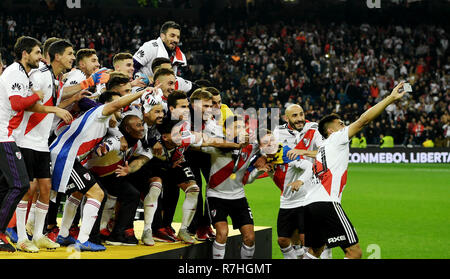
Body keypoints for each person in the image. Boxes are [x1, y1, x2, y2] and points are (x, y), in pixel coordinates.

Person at [287, 81, 407, 259]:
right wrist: (390, 98)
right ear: (330, 130)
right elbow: (364, 120)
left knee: (314, 252)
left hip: (309, 206)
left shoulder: (322, 150)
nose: (345, 126)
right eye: (341, 123)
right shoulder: (337, 138)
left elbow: (313, 167)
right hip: (327, 204)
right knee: (354, 252)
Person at [52, 83, 153, 251]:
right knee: (97, 193)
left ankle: (63, 234)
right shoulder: (99, 113)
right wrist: (143, 92)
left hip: (68, 158)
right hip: (65, 158)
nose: (121, 109)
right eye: (118, 105)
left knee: (76, 193)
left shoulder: (107, 124)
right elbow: (113, 106)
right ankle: (83, 240)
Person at [14, 39, 74, 252]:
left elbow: (53, 103)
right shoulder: (39, 76)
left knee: (46, 189)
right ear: (57, 56)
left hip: (41, 143)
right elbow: (28, 105)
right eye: (69, 54)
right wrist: (55, 110)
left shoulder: (55, 79)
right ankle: (21, 237)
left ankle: (38, 235)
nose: (72, 58)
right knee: (28, 190)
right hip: (26, 139)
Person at [0, 36, 42, 252]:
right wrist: (36, 96)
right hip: (3, 136)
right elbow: (17, 103)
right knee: (20, 185)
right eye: (37, 52)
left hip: (7, 135)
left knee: (6, 186)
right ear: (25, 53)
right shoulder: (15, 72)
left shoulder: (21, 73)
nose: (40, 57)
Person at [272, 104, 331, 259]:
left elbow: (326, 152)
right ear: (286, 118)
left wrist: (303, 152)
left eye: (301, 114)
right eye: (295, 116)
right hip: (289, 193)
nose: (300, 119)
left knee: (313, 239)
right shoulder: (278, 132)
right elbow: (273, 157)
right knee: (287, 239)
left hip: (312, 191)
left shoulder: (313, 129)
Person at [247, 131, 314, 259]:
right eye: (266, 143)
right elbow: (248, 180)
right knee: (282, 240)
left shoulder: (287, 153)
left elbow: (310, 166)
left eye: (272, 140)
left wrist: (300, 181)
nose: (270, 144)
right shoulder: (263, 159)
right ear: (261, 147)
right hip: (286, 202)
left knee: (305, 240)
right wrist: (258, 171)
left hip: (303, 201)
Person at [199, 115, 257, 259]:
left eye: (243, 127)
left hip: (239, 196)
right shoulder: (218, 146)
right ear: (227, 131)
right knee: (222, 233)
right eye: (237, 127)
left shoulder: (251, 146)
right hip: (216, 195)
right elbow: (199, 144)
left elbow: (270, 145)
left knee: (250, 237)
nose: (242, 130)